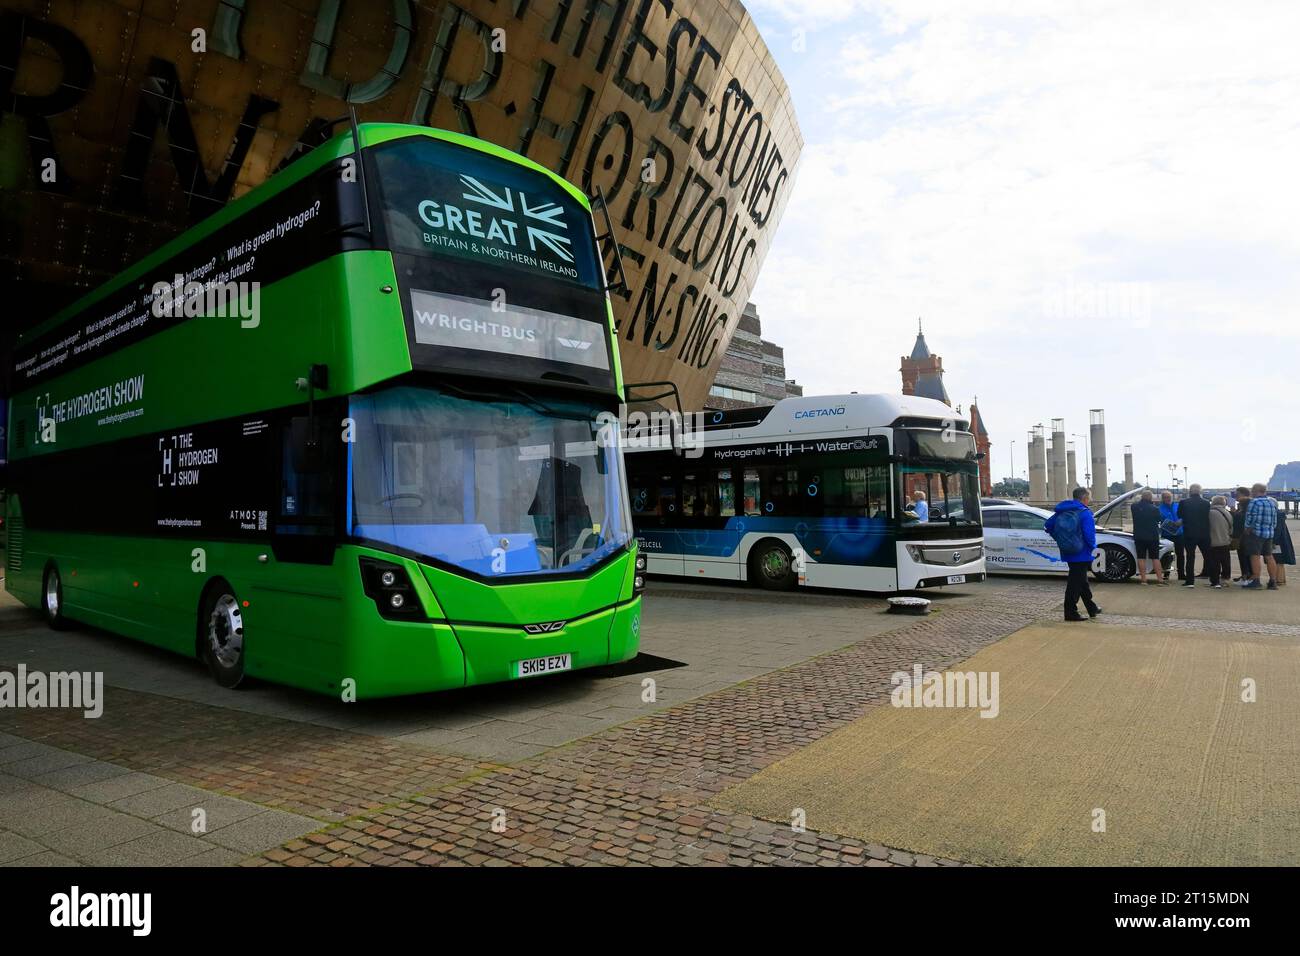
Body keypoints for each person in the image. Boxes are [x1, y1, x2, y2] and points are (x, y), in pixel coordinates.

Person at [1045, 487, 1101, 621]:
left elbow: (1048, 525)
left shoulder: (1062, 510)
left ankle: (1091, 607)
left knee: (1081, 580)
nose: (1090, 500)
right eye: (1089, 497)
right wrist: (1093, 548)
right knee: (1075, 583)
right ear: (1085, 498)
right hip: (1082, 552)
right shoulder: (1085, 512)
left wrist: (1061, 539)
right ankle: (1070, 612)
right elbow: (1089, 535)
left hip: (1068, 551)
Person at [1240, 483, 1279, 590]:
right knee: (1269, 556)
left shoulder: (1254, 502)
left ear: (1255, 491)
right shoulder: (1271, 502)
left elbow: (1250, 518)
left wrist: (1247, 529)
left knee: (1255, 555)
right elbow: (1275, 520)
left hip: (1256, 533)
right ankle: (1273, 581)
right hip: (1269, 533)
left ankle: (1256, 580)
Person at [1177, 483, 1212, 588]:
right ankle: (1214, 580)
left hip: (1189, 533)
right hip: (1204, 533)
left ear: (1190, 491)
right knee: (1208, 556)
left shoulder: (1183, 502)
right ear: (1200, 491)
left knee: (1190, 557)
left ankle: (1190, 581)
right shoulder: (1206, 503)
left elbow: (1179, 515)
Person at [1130, 490, 1167, 585]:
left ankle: (1143, 580)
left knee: (1141, 557)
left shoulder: (1134, 507)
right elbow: (1159, 520)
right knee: (1155, 558)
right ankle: (1160, 580)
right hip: (1152, 536)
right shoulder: (1154, 508)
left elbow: (1135, 507)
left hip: (1139, 535)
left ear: (1142, 497)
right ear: (1151, 497)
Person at [1208, 495, 1233, 588]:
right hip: (1226, 541)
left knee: (1214, 562)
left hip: (1214, 541)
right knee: (1225, 561)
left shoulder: (1210, 513)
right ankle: (1225, 579)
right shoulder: (1227, 513)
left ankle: (1215, 581)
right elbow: (1231, 529)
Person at [1159, 490, 1185, 581]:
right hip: (1167, 534)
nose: (1167, 498)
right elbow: (1158, 521)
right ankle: (1166, 574)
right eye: (1165, 497)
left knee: (1180, 554)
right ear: (1162, 498)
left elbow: (1185, 516)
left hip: (1180, 534)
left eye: (1169, 497)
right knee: (1167, 555)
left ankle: (1181, 574)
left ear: (1172, 497)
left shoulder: (1178, 506)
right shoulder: (1159, 508)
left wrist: (1181, 520)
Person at [1232, 487, 1252, 581]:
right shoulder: (1244, 505)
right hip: (1243, 535)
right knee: (1243, 556)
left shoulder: (1247, 505)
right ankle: (1245, 574)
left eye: (1237, 494)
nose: (1236, 496)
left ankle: (1247, 574)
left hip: (1243, 535)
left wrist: (1234, 514)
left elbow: (1241, 519)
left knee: (1245, 556)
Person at [1274, 508, 1294, 585]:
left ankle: (1279, 579)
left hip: (1277, 542)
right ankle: (1281, 579)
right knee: (1279, 560)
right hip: (1282, 541)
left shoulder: (1277, 516)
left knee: (1277, 559)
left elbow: (1277, 531)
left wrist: (1273, 541)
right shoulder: (1280, 516)